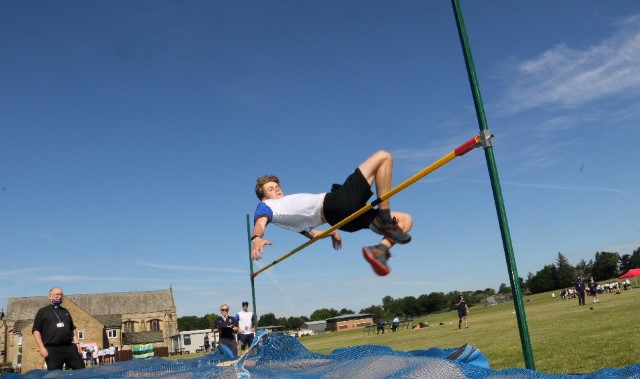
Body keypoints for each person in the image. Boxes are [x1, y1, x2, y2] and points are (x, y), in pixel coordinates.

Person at [251, 151, 413, 276]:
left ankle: (380, 250)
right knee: (383, 157)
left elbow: (313, 235)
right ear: (263, 197)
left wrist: (331, 233)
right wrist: (257, 238)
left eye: (277, 186)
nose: (277, 189)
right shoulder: (266, 206)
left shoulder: (288, 219)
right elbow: (260, 223)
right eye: (271, 189)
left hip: (341, 220)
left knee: (405, 221)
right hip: (336, 203)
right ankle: (384, 219)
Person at [32, 287, 85, 371]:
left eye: (61, 294)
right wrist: (42, 348)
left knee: (82, 371)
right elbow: (36, 331)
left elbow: (72, 328)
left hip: (69, 347)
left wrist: (77, 343)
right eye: (57, 294)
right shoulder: (42, 312)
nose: (59, 296)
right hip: (52, 349)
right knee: (55, 375)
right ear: (50, 296)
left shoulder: (65, 311)